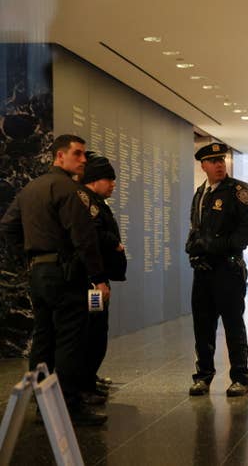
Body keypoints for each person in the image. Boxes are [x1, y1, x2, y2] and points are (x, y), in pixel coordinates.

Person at [0, 134, 110, 426]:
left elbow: (8, 227)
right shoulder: (68, 189)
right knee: (70, 341)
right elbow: (83, 236)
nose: (83, 160)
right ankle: (69, 406)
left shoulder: (30, 189)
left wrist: (29, 259)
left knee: (43, 339)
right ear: (59, 156)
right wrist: (99, 278)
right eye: (77, 154)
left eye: (84, 154)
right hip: (65, 274)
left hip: (39, 273)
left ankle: (41, 404)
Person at [186, 142, 248, 397]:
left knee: (232, 323)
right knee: (202, 325)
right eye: (213, 161)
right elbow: (196, 228)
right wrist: (193, 250)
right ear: (203, 165)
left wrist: (221, 245)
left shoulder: (238, 191)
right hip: (204, 270)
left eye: (222, 160)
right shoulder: (201, 193)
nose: (220, 165)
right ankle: (203, 376)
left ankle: (240, 377)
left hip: (227, 268)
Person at [80, 152, 127, 399]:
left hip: (97, 277)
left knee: (97, 331)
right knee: (93, 332)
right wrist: (115, 244)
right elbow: (92, 235)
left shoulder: (95, 202)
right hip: (92, 281)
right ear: (95, 179)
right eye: (109, 179)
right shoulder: (87, 202)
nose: (113, 184)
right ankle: (84, 384)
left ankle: (89, 378)